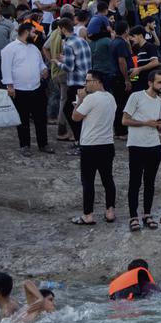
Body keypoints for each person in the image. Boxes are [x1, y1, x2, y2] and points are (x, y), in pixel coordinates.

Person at [70, 70, 117, 225]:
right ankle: (110, 211)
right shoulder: (111, 98)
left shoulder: (90, 99)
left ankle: (88, 215)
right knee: (108, 179)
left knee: (88, 181)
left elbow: (75, 117)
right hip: (107, 144)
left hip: (90, 145)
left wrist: (80, 100)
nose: (85, 84)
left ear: (97, 82)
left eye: (88, 81)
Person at [122, 70, 161, 232]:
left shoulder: (160, 102)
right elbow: (124, 120)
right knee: (135, 182)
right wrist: (145, 123)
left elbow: (160, 124)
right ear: (150, 83)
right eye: (159, 82)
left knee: (150, 182)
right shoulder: (136, 97)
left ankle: (147, 214)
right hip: (136, 145)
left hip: (154, 146)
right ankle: (133, 216)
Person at [1, 22, 52, 157]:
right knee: (22, 119)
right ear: (26, 32)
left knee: (41, 118)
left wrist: (44, 70)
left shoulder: (34, 48)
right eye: (33, 32)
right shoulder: (9, 49)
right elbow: (6, 68)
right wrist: (9, 86)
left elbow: (41, 64)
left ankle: (43, 144)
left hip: (36, 88)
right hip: (19, 90)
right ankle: (25, 145)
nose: (35, 35)